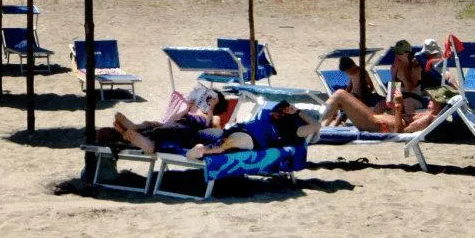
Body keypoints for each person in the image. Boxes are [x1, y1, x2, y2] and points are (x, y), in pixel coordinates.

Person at [109, 88, 231, 155]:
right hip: (178, 124)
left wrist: (211, 108)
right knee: (155, 125)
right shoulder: (192, 111)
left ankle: (142, 140)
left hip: (189, 131)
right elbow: (171, 120)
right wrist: (186, 109)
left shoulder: (213, 116)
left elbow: (213, 130)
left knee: (163, 130)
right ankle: (135, 128)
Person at [185, 100, 319, 160]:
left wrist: (298, 112)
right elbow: (275, 109)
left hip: (251, 139)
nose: (286, 110)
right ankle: (192, 144)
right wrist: (286, 109)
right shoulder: (274, 114)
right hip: (238, 128)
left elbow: (316, 125)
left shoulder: (294, 129)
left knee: (225, 144)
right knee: (209, 134)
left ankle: (202, 150)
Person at [321, 84, 450, 134]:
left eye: (433, 100)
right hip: (376, 119)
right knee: (341, 97)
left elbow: (400, 132)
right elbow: (402, 123)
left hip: (375, 124)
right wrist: (395, 108)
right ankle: (319, 125)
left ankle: (315, 121)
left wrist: (399, 107)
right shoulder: (429, 116)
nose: (430, 100)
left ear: (440, 104)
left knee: (340, 94)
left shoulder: (428, 119)